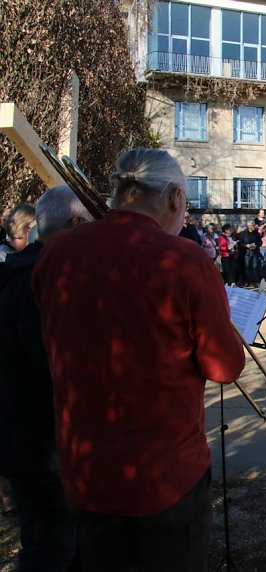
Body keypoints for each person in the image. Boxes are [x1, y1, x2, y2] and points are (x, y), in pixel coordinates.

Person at [32, 149, 246, 571]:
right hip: (165, 474)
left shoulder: (55, 253)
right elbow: (226, 368)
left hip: (85, 468)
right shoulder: (183, 260)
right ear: (174, 199)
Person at [0, 186, 91, 571]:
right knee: (51, 550)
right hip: (42, 442)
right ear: (73, 224)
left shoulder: (17, 271)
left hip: (22, 433)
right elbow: (54, 364)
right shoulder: (44, 279)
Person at [238, 221, 262, 286]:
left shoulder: (257, 234)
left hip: (255, 252)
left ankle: (255, 282)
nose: (254, 226)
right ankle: (246, 281)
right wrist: (246, 245)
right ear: (249, 226)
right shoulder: (243, 234)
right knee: (246, 267)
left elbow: (260, 242)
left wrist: (256, 246)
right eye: (252, 225)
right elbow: (240, 243)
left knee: (255, 267)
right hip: (246, 253)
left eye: (254, 225)